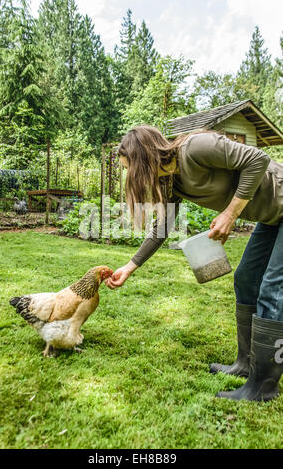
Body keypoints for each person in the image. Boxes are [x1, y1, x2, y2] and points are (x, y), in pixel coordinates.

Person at [105, 125, 283, 402]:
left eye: (130, 168)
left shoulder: (196, 148)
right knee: (246, 279)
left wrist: (229, 214)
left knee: (272, 289)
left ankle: (263, 387)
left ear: (143, 160)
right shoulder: (173, 181)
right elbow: (162, 228)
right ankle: (246, 364)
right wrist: (130, 267)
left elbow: (257, 159)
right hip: (272, 217)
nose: (131, 176)